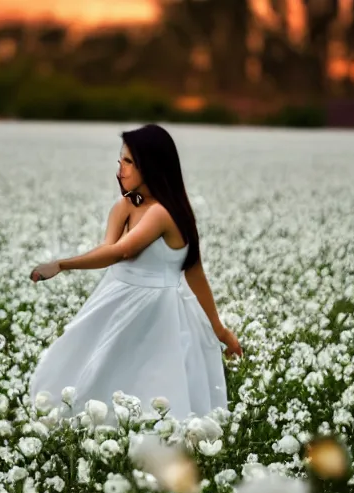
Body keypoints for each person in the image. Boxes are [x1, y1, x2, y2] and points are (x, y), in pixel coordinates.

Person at [29, 124, 242, 421]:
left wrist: (62, 264)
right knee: (104, 375)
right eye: (120, 161)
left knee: (147, 383)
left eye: (129, 162)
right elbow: (109, 249)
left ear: (152, 165)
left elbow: (130, 254)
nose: (120, 170)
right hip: (118, 298)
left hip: (157, 311)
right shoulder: (125, 207)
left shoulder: (162, 213)